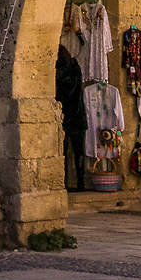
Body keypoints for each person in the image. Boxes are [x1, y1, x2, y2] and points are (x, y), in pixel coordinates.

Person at [55, 44, 87, 191]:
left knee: (64, 151)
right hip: (79, 115)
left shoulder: (59, 72)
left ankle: (64, 182)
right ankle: (81, 182)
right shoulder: (76, 67)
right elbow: (84, 49)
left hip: (65, 116)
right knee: (79, 151)